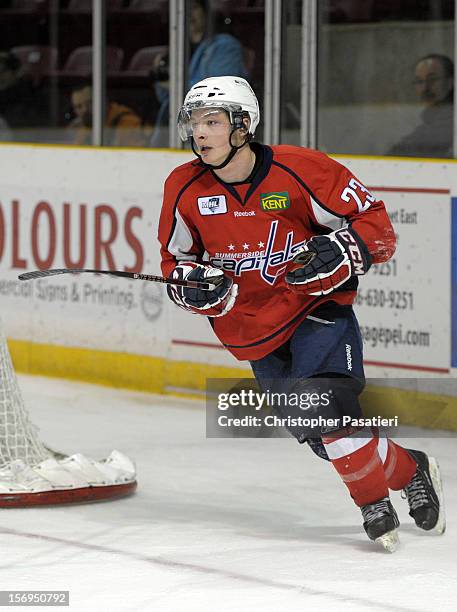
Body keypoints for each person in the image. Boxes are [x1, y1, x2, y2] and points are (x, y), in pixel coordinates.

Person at [158, 76, 446, 551]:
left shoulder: (302, 169)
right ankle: (412, 467)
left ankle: (373, 505)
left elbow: (375, 226)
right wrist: (190, 284)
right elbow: (175, 260)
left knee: (327, 410)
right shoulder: (184, 186)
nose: (200, 132)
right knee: (322, 437)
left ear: (243, 125)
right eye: (194, 122)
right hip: (252, 331)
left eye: (212, 121)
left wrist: (343, 248)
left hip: (318, 311)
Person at [148, 0, 248, 147]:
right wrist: (160, 79)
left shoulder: (225, 46)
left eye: (193, 8)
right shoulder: (178, 49)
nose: (188, 14)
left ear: (205, 12)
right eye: (185, 9)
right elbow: (166, 100)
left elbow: (218, 92)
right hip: (183, 129)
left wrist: (173, 86)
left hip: (218, 132)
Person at [388, 54, 454, 158]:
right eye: (419, 81)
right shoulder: (432, 119)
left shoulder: (450, 119)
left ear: (451, 83)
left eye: (432, 79)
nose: (425, 88)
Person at [68, 83, 145, 147]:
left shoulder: (127, 122)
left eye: (90, 103)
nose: (85, 110)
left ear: (104, 101)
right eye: (78, 107)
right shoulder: (84, 126)